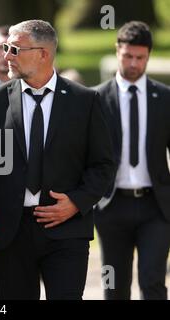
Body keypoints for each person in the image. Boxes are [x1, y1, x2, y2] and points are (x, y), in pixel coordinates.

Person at [0, 20, 115, 300]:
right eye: (6, 47)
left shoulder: (86, 101)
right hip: (9, 232)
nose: (6, 55)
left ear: (43, 54)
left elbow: (103, 164)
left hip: (67, 232)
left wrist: (76, 202)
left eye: (15, 49)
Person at [94, 21, 170, 300]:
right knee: (114, 287)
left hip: (156, 207)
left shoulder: (164, 98)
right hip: (111, 206)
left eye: (140, 57)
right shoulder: (96, 99)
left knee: (152, 283)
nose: (134, 63)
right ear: (117, 51)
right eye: (128, 56)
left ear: (148, 55)